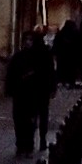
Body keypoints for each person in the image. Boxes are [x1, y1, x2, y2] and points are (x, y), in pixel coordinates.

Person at [7, 27, 54, 157]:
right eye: (26, 40)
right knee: (19, 119)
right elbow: (11, 74)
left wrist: (49, 87)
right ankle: (20, 144)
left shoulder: (40, 55)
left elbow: (47, 72)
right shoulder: (18, 57)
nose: (27, 42)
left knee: (29, 120)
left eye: (30, 40)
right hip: (20, 93)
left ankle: (28, 145)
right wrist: (11, 88)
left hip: (34, 93)